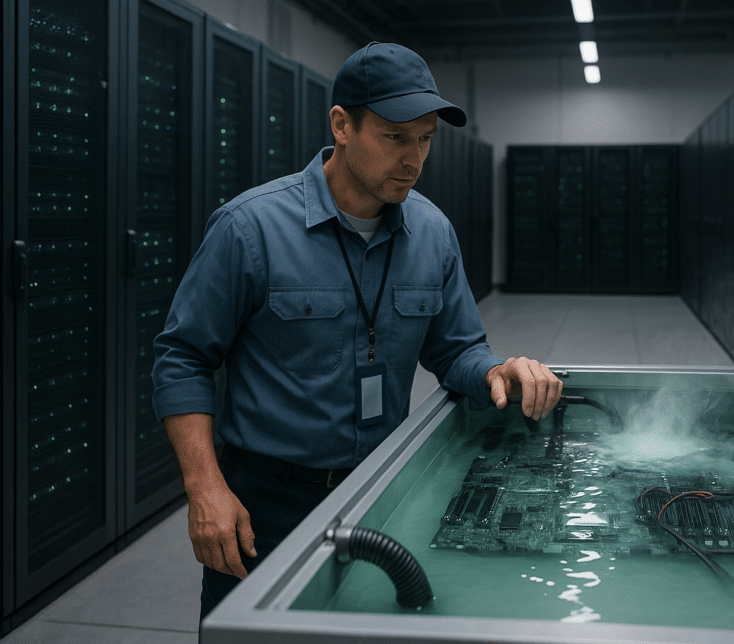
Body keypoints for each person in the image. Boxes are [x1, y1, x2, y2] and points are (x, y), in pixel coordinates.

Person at [151, 41, 563, 629]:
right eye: (395, 137)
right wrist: (204, 488)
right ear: (342, 126)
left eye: (425, 140)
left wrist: (498, 370)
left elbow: (456, 350)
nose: (414, 159)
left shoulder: (433, 232)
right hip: (264, 502)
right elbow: (182, 358)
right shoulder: (250, 228)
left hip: (382, 492)